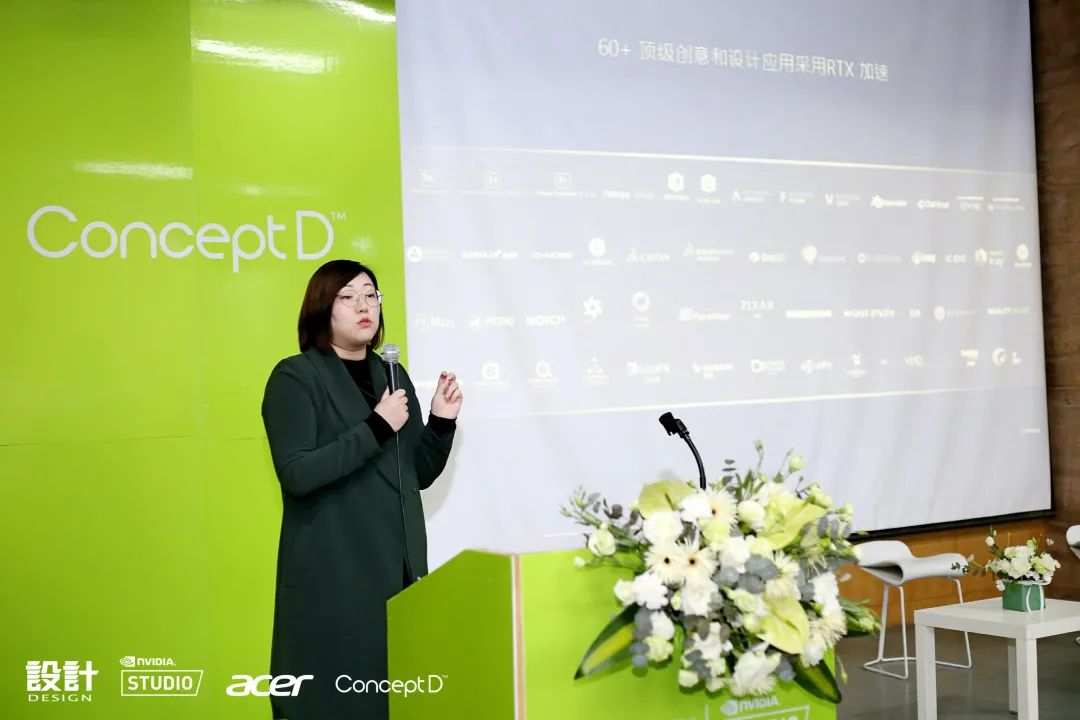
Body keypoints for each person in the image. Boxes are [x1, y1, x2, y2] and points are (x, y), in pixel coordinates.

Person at [261, 259, 461, 720]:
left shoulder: (392, 375)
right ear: (322, 309)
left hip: (397, 575)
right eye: (348, 297)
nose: (363, 305)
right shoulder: (295, 377)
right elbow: (298, 473)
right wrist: (375, 427)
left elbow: (415, 474)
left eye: (371, 295)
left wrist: (440, 422)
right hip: (335, 577)